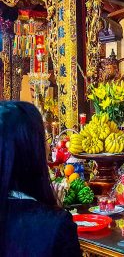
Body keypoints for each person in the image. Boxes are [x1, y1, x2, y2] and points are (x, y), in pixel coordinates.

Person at [0, 101, 81, 257]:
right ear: (31, 151)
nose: (49, 147)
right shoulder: (55, 225)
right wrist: (52, 214)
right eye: (44, 140)